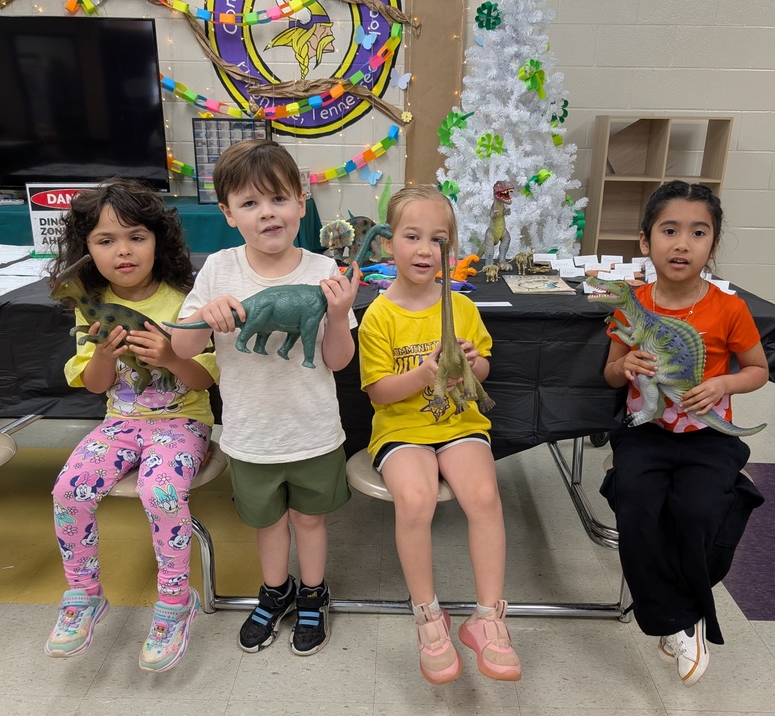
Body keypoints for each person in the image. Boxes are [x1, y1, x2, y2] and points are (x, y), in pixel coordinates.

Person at [170, 139, 359, 657]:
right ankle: (276, 591)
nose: (267, 213)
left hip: (314, 429)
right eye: (249, 203)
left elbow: (339, 361)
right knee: (269, 523)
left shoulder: (325, 270)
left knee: (311, 520)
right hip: (251, 435)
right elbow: (182, 347)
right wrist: (202, 316)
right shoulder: (218, 270)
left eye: (277, 198)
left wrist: (339, 315)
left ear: (301, 201)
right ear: (229, 215)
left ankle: (314, 594)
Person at [44, 178, 219, 673]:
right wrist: (102, 351)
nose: (123, 251)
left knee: (159, 491)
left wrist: (169, 354)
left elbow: (205, 380)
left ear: (157, 240)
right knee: (68, 490)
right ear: (86, 250)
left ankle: (174, 601)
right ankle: (83, 593)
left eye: (136, 236)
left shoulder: (186, 300)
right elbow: (97, 385)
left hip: (182, 421)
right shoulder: (91, 309)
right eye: (105, 240)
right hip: (119, 423)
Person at [599, 180, 767, 687]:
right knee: (636, 503)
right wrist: (625, 362)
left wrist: (722, 383)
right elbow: (610, 373)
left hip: (706, 435)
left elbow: (757, 369)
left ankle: (682, 611)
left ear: (712, 247)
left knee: (697, 511)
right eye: (669, 230)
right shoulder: (631, 306)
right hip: (645, 431)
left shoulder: (728, 309)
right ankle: (679, 620)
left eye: (698, 233)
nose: (682, 243)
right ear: (645, 240)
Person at [357, 185, 521, 685]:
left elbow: (486, 369)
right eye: (413, 237)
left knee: (484, 495)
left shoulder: (463, 307)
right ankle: (429, 616)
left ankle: (488, 617)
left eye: (438, 239)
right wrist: (424, 375)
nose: (425, 250)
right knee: (416, 498)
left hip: (459, 424)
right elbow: (380, 393)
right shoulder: (380, 315)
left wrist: (477, 363)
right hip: (402, 428)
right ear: (389, 244)